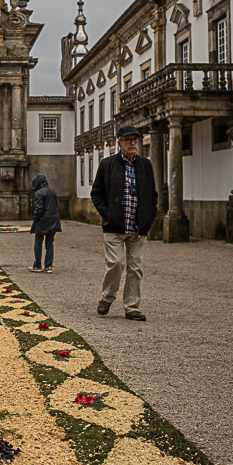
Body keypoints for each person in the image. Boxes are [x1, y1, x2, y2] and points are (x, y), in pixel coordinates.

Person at [90, 124, 158, 321]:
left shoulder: (145, 164)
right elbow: (96, 194)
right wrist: (108, 214)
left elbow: (152, 195)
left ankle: (132, 307)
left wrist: (149, 215)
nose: (132, 143)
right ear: (119, 142)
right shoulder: (107, 164)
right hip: (115, 227)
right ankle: (107, 298)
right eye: (128, 140)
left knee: (135, 268)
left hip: (138, 227)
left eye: (135, 140)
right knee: (116, 264)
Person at [28, 173, 62, 273]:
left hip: (43, 221)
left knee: (38, 242)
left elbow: (39, 209)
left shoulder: (39, 193)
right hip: (54, 220)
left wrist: (35, 219)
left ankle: (37, 265)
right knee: (49, 244)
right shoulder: (52, 192)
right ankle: (48, 266)